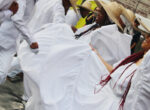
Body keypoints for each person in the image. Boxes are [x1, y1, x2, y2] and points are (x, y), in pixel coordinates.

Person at [17, 13, 150, 110]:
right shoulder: (136, 59)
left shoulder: (144, 67)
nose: (146, 36)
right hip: (101, 95)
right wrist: (94, 54)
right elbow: (113, 72)